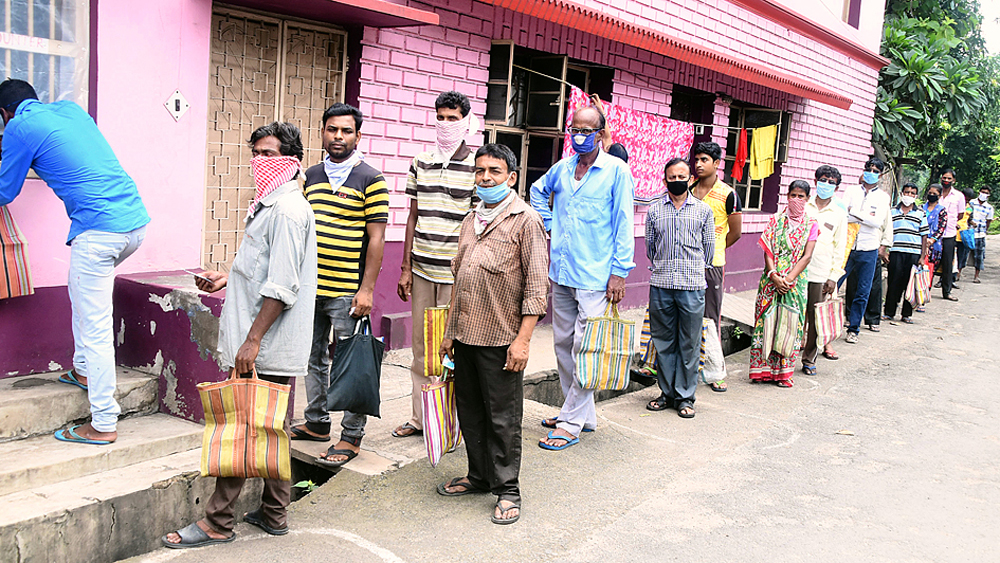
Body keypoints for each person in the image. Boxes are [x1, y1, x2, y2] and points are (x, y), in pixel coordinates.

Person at [163, 122, 317, 548]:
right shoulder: (269, 205)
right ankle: (274, 513)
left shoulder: (286, 211)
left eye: (270, 154)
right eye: (257, 154)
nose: (260, 163)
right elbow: (261, 269)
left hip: (264, 344)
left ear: (292, 161)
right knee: (272, 428)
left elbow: (281, 286)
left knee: (242, 427)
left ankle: (217, 522)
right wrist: (226, 278)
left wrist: (252, 342)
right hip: (263, 340)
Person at [0, 79, 150, 445]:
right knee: (82, 298)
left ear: (4, 114)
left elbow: (5, 190)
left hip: (97, 234)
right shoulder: (70, 109)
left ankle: (103, 422)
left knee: (95, 324)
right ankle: (83, 371)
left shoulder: (19, 126)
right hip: (134, 226)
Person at [436, 144, 548, 525]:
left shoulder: (525, 221)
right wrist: (450, 332)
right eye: (481, 171)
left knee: (503, 417)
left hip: (502, 338)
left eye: (495, 172)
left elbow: (536, 287)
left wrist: (523, 340)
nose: (486, 178)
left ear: (511, 177)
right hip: (467, 334)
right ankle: (480, 476)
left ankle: (508, 489)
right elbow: (461, 278)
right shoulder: (472, 220)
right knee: (471, 411)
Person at [288, 104, 388, 468]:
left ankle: (351, 435)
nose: (338, 137)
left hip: (348, 289)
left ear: (357, 136)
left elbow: (376, 239)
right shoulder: (310, 176)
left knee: (353, 362)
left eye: (346, 131)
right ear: (323, 133)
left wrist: (367, 290)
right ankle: (316, 423)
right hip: (311, 287)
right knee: (313, 357)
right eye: (332, 130)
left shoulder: (370, 178)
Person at [530, 105, 635, 450]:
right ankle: (580, 412)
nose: (579, 135)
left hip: (596, 276)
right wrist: (549, 224)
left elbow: (623, 223)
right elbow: (536, 191)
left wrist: (619, 272)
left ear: (601, 133)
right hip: (562, 272)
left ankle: (570, 422)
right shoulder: (562, 168)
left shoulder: (616, 171)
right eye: (574, 129)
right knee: (562, 346)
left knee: (585, 347)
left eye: (587, 130)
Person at [393, 91, 477, 439]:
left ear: (466, 121)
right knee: (420, 348)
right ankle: (419, 417)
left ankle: (448, 421)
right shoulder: (420, 161)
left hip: (455, 274)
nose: (445, 124)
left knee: (450, 348)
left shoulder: (476, 165)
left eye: (452, 118)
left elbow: (475, 222)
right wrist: (404, 267)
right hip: (422, 269)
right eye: (440, 117)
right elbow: (412, 216)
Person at [643, 158, 714, 417]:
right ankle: (666, 393)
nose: (677, 181)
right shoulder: (654, 211)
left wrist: (690, 269)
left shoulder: (703, 211)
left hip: (692, 286)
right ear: (665, 180)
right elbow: (650, 248)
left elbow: (709, 251)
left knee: (689, 342)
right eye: (672, 178)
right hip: (661, 284)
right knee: (663, 341)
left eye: (681, 176)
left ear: (690, 178)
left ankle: (685, 397)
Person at [749, 181, 817, 387]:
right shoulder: (775, 221)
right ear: (787, 196)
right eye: (793, 195)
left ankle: (783, 374)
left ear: (807, 199)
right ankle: (763, 371)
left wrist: (787, 279)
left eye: (801, 196)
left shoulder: (811, 224)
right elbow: (767, 250)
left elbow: (807, 256)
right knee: (766, 323)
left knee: (789, 325)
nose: (796, 200)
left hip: (795, 284)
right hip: (771, 281)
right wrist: (773, 275)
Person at [689, 141, 742, 392]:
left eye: (704, 160)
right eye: (696, 159)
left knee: (710, 318)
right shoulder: (687, 188)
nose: (698, 164)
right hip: (685, 264)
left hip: (712, 266)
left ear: (717, 163)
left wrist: (715, 250)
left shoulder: (728, 194)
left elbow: (736, 232)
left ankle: (715, 372)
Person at [801, 165, 849, 376]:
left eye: (831, 182)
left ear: (836, 187)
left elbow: (840, 247)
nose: (826, 185)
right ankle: (786, 356)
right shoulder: (803, 205)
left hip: (821, 273)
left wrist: (834, 277)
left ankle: (809, 358)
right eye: (823, 180)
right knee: (794, 315)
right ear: (816, 180)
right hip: (797, 271)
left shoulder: (838, 214)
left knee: (815, 318)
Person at [840, 157, 892, 343]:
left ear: (880, 175)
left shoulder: (883, 197)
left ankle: (853, 329)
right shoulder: (851, 190)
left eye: (876, 171)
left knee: (863, 291)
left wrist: (854, 212)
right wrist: (864, 216)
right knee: (833, 285)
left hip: (868, 248)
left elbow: (877, 222)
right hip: (846, 246)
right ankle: (828, 324)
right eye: (869, 169)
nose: (871, 173)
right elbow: (842, 216)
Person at [882, 182, 928, 323]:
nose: (909, 195)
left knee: (910, 284)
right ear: (902, 194)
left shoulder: (920, 213)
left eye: (912, 193)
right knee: (893, 282)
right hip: (896, 251)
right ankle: (889, 312)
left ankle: (906, 314)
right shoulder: (892, 212)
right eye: (906, 192)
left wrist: (922, 256)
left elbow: (924, 235)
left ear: (916, 196)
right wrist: (885, 251)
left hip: (913, 253)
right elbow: (886, 231)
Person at [937, 168, 964, 301]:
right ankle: (925, 289)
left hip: (949, 233)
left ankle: (947, 291)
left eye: (949, 178)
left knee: (948, 263)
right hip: (934, 234)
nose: (946, 180)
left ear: (953, 180)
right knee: (930, 262)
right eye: (944, 178)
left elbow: (960, 214)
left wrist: (950, 222)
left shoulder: (958, 196)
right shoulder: (936, 192)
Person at [921, 184, 948, 296]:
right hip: (918, 244)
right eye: (930, 193)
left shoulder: (942, 211)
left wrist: (931, 240)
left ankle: (924, 297)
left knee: (928, 272)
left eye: (934, 194)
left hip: (933, 248)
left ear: (940, 195)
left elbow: (941, 228)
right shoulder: (920, 208)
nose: (931, 196)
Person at [969, 186, 994, 283]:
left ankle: (976, 275)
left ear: (988, 195)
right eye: (983, 192)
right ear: (979, 192)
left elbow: (988, 222)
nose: (984, 194)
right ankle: (958, 273)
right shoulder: (971, 203)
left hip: (980, 234)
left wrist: (984, 231)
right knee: (963, 254)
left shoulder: (989, 208)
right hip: (968, 232)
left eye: (986, 193)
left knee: (979, 256)